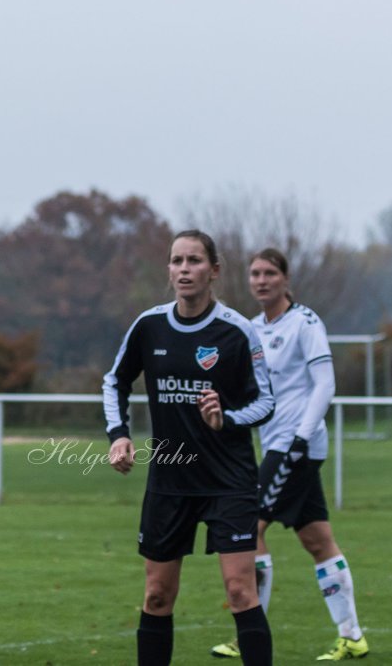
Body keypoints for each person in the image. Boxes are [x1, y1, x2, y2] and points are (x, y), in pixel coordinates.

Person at [102, 229, 276, 666]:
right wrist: (118, 434)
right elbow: (115, 380)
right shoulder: (149, 325)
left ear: (213, 270)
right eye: (177, 261)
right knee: (157, 595)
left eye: (194, 261)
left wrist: (227, 419)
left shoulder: (237, 331)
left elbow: (266, 402)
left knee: (240, 591)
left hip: (229, 481)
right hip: (170, 480)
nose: (184, 269)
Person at [210, 248, 369, 661]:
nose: (261, 280)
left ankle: (250, 632)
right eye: (255, 274)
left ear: (285, 278)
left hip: (294, 446)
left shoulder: (305, 322)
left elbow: (324, 384)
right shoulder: (254, 328)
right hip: (277, 444)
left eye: (269, 273)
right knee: (318, 541)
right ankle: (352, 636)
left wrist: (301, 436)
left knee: (250, 528)